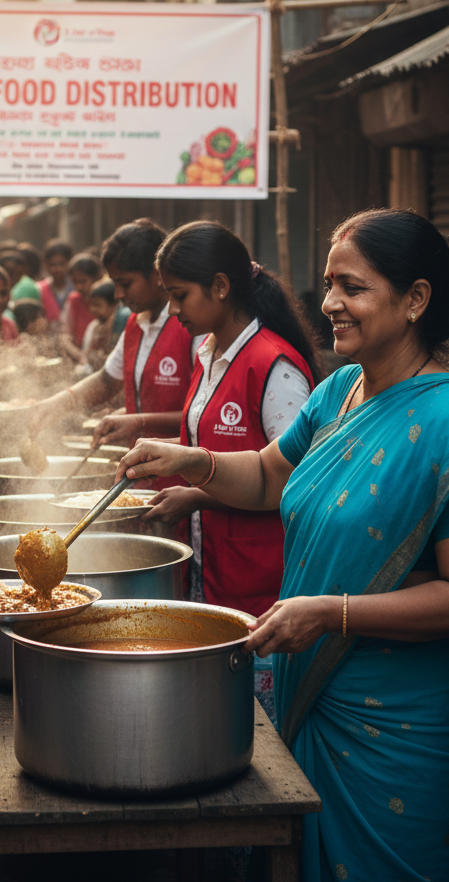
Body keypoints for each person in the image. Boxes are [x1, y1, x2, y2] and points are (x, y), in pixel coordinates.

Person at [116, 209, 449, 882]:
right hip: (317, 697)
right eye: (328, 285)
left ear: (415, 300)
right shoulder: (337, 393)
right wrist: (191, 460)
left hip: (405, 726)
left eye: (351, 287)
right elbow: (268, 474)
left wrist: (331, 612)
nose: (329, 304)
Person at [145, 222, 321, 721]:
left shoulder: (275, 368)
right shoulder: (208, 354)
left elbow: (294, 482)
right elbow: (209, 447)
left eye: (179, 296)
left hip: (262, 580)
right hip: (210, 567)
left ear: (221, 287)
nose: (173, 311)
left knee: (257, 731)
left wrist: (198, 495)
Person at [30, 220, 200, 472]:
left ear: (157, 274)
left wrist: (138, 421)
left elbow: (203, 418)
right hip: (143, 473)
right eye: (115, 283)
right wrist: (60, 402)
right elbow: (108, 380)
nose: (118, 293)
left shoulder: (193, 326)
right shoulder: (135, 321)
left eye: (126, 283)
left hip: (185, 478)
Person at [58, 252, 103, 364]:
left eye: (83, 281)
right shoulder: (74, 300)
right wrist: (80, 356)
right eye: (75, 282)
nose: (79, 286)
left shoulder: (107, 298)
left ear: (96, 278)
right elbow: (66, 336)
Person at [81, 277, 129, 372]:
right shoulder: (96, 327)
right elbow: (89, 356)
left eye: (98, 305)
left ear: (114, 305)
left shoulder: (123, 320)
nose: (92, 310)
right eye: (91, 305)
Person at [37, 239, 74, 322]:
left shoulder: (76, 287)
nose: (57, 269)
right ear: (46, 265)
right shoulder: (40, 289)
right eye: (53, 265)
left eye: (61, 264)